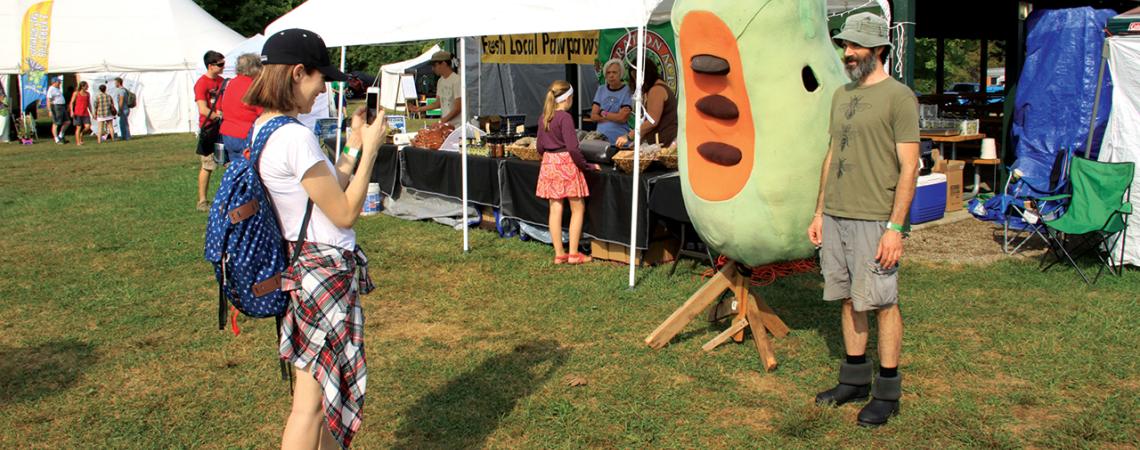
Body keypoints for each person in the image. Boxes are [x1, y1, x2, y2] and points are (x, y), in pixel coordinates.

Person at [244, 28, 386, 450]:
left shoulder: (267, 129)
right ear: (297, 73)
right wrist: (374, 150)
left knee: (322, 396)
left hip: (303, 267)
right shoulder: (295, 137)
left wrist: (354, 148)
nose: (325, 86)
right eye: (320, 76)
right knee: (309, 405)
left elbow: (324, 192)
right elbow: (343, 211)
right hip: (322, 274)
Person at [806, 12, 920, 428]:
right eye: (845, 46)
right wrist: (820, 211)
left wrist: (895, 228)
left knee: (883, 302)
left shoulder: (899, 97)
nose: (848, 53)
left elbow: (910, 167)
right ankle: (853, 378)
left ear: (879, 49)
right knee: (849, 297)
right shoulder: (840, 95)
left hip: (876, 218)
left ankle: (887, 390)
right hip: (836, 215)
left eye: (855, 46)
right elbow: (832, 154)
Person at [536, 80, 600, 265]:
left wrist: (549, 158)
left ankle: (559, 254)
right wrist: (586, 166)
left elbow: (540, 146)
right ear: (568, 98)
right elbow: (573, 147)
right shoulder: (565, 118)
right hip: (566, 163)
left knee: (555, 208)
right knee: (577, 207)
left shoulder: (544, 118)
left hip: (549, 162)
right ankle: (573, 253)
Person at [615, 60, 678, 148]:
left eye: (637, 77)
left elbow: (652, 121)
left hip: (664, 143)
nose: (636, 81)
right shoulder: (657, 88)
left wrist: (629, 136)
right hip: (660, 142)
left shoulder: (656, 90)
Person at [217, 53, 264, 164]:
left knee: (235, 168)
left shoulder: (228, 83)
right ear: (255, 68)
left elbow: (220, 107)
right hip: (245, 134)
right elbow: (263, 112)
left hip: (227, 133)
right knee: (249, 170)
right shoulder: (253, 86)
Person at [195, 50, 226, 211]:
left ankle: (229, 197)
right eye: (220, 64)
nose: (223, 67)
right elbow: (202, 109)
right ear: (210, 66)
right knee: (208, 165)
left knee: (228, 163)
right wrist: (217, 116)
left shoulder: (223, 82)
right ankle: (202, 200)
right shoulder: (201, 83)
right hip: (210, 130)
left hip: (224, 129)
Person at [408, 51, 462, 128]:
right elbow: (437, 103)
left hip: (459, 126)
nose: (433, 69)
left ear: (444, 63)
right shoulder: (440, 81)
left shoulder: (457, 80)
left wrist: (441, 121)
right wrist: (419, 109)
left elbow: (458, 108)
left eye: (435, 65)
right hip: (447, 125)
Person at [589, 58, 633, 144]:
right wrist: (613, 117)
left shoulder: (627, 90)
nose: (611, 76)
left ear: (621, 74)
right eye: (608, 73)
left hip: (620, 142)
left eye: (614, 72)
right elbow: (593, 116)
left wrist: (602, 112)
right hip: (600, 141)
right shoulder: (601, 89)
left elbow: (622, 118)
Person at [47, 77, 71, 144]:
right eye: (58, 82)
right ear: (54, 82)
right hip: (56, 107)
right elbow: (48, 100)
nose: (60, 83)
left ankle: (61, 135)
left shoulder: (57, 89)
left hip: (62, 106)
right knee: (56, 123)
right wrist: (50, 110)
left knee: (68, 122)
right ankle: (56, 139)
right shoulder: (51, 89)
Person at [70, 81, 93, 146]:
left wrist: (92, 112)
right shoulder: (76, 93)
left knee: (88, 126)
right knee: (78, 128)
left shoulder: (88, 94)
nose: (87, 87)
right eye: (86, 86)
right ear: (82, 87)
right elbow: (71, 102)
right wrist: (72, 111)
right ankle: (78, 142)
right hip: (77, 113)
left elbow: (89, 104)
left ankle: (81, 134)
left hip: (85, 113)